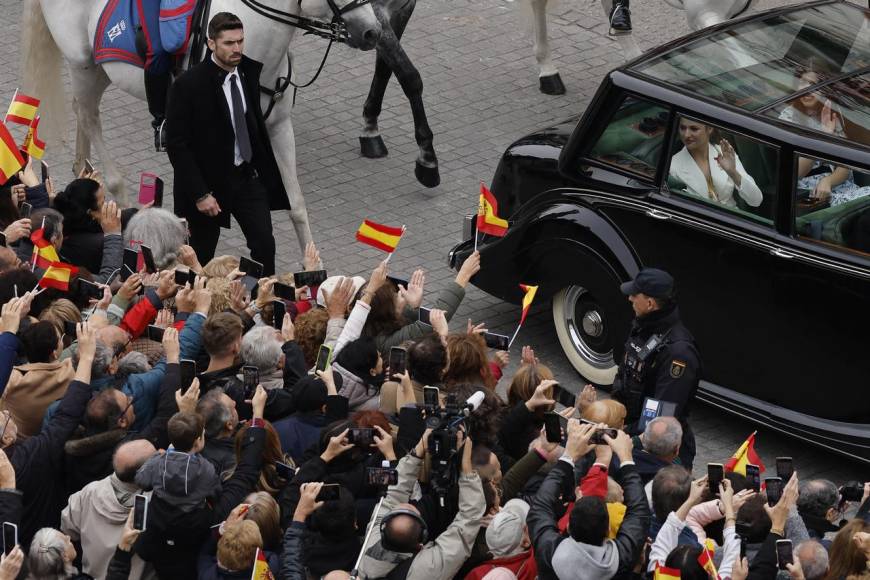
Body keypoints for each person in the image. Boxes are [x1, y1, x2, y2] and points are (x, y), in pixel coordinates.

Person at [165, 12, 290, 275]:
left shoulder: (247, 71)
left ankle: (258, 302)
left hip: (245, 177)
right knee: (200, 254)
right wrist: (200, 194)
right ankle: (193, 304)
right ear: (211, 44)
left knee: (265, 246)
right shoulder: (188, 85)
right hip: (208, 186)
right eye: (229, 43)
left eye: (240, 41)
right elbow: (177, 145)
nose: (237, 49)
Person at [527, 421, 650, 580]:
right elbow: (639, 513)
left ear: (569, 527)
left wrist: (569, 455)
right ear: (607, 532)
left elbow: (541, 504)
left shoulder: (547, 549)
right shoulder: (621, 560)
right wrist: (626, 457)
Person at [357, 430, 485, 580]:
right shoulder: (427, 570)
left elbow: (391, 497)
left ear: (383, 529)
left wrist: (417, 453)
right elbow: (468, 522)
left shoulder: (369, 549)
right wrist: (467, 467)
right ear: (421, 542)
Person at [611, 267, 701, 469]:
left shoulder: (678, 353)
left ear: (650, 303)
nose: (630, 299)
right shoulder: (643, 327)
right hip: (630, 429)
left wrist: (624, 434)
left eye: (635, 295)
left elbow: (660, 418)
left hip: (657, 448)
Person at [60, 439, 157, 579]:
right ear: (145, 472)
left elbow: (67, 530)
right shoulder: (156, 503)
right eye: (156, 456)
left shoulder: (88, 493)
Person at [779, 67, 870, 207]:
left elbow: (844, 166)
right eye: (803, 82)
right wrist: (822, 137)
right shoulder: (788, 117)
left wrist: (829, 181)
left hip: (838, 185)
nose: (807, 90)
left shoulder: (831, 113)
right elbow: (795, 173)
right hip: (809, 192)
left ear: (824, 90)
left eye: (814, 85)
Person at [668, 117, 763, 209]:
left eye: (694, 129)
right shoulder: (674, 165)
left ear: (709, 129)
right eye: (682, 128)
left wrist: (733, 172)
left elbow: (756, 200)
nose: (686, 135)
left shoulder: (723, 153)